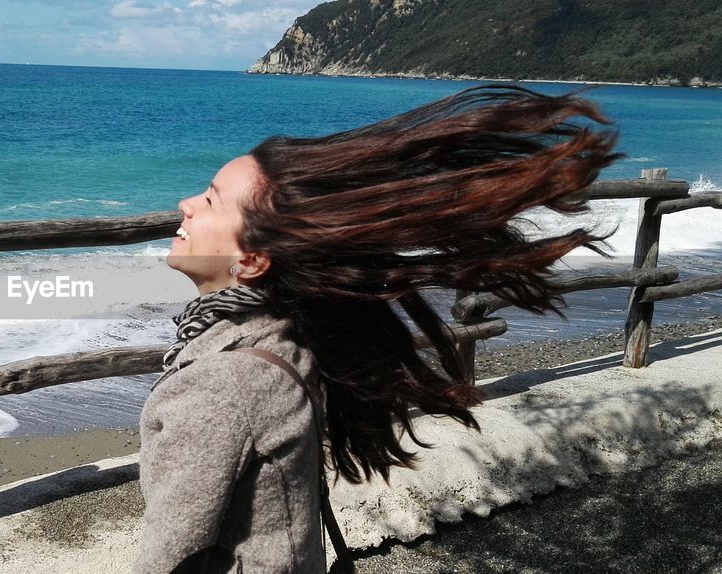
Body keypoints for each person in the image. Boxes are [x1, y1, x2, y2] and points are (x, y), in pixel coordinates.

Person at [133, 84, 622, 573]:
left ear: (253, 260)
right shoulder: (282, 330)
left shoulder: (224, 383)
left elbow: (169, 556)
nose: (186, 203)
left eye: (211, 200)